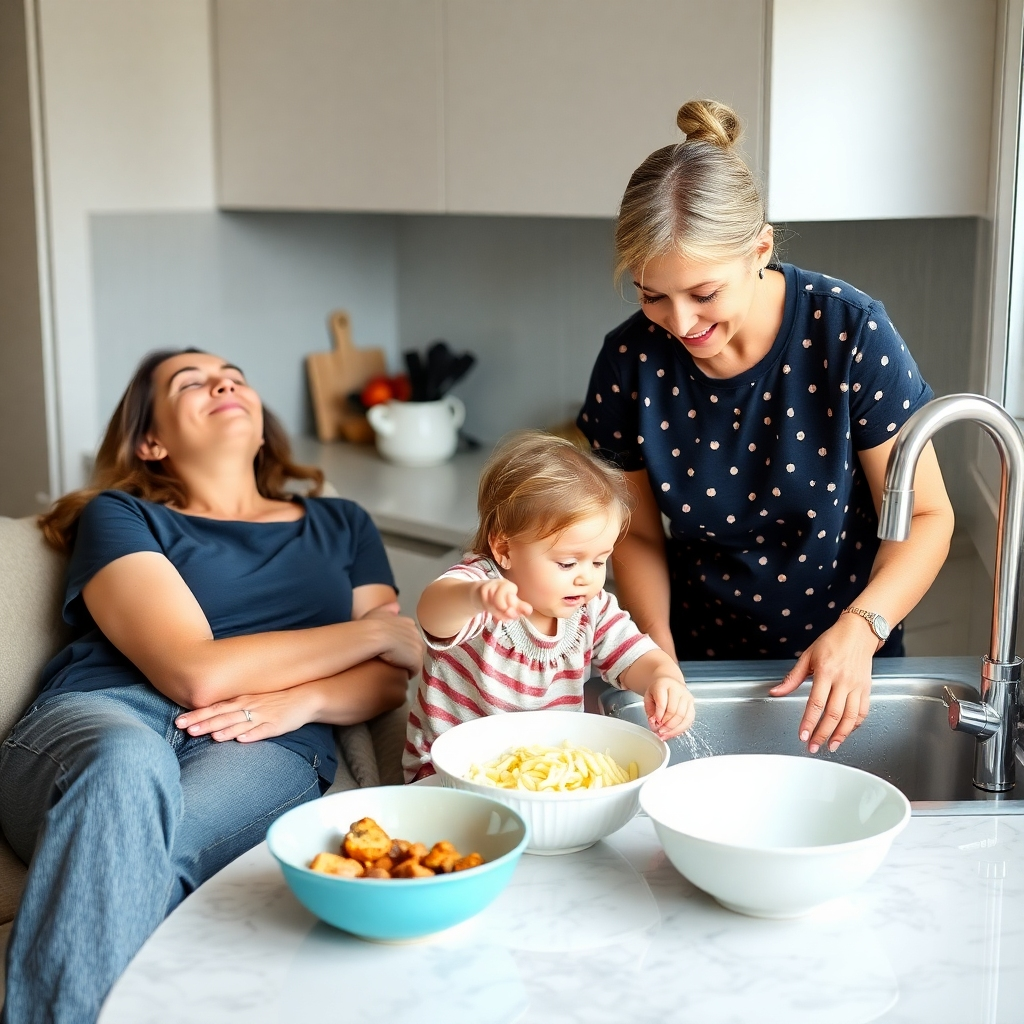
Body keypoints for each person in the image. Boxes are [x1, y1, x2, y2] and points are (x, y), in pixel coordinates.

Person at [0, 349, 423, 1024]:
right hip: (109, 711)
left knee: (143, 858)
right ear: (152, 441)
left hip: (271, 738)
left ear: (259, 422)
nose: (223, 383)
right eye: (189, 383)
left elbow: (386, 681)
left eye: (234, 377)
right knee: (126, 765)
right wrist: (367, 633)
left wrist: (305, 700)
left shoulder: (342, 523)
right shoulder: (122, 515)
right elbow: (195, 672)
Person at [576, 99, 954, 758]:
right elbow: (635, 533)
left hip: (846, 664)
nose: (680, 323)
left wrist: (862, 629)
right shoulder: (629, 361)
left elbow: (927, 516)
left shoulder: (849, 334)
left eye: (704, 293)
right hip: (698, 668)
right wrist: (656, 658)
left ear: (761, 250)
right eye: (652, 294)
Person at [403, 431, 694, 782]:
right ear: (504, 549)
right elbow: (433, 612)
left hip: (542, 777)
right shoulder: (482, 588)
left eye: (599, 561)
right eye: (568, 563)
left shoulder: (591, 609)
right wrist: (475, 597)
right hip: (450, 772)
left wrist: (664, 678)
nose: (587, 578)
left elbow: (637, 657)